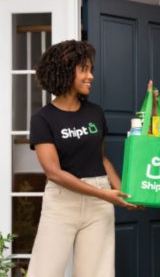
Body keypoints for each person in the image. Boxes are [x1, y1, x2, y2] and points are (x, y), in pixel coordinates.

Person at [27, 40, 136, 277]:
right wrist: (104, 194)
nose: (91, 76)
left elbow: (102, 159)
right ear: (66, 72)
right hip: (62, 201)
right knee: (44, 272)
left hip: (99, 202)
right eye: (84, 69)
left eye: (91, 70)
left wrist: (125, 193)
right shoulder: (42, 119)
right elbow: (53, 172)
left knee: (97, 273)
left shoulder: (94, 112)